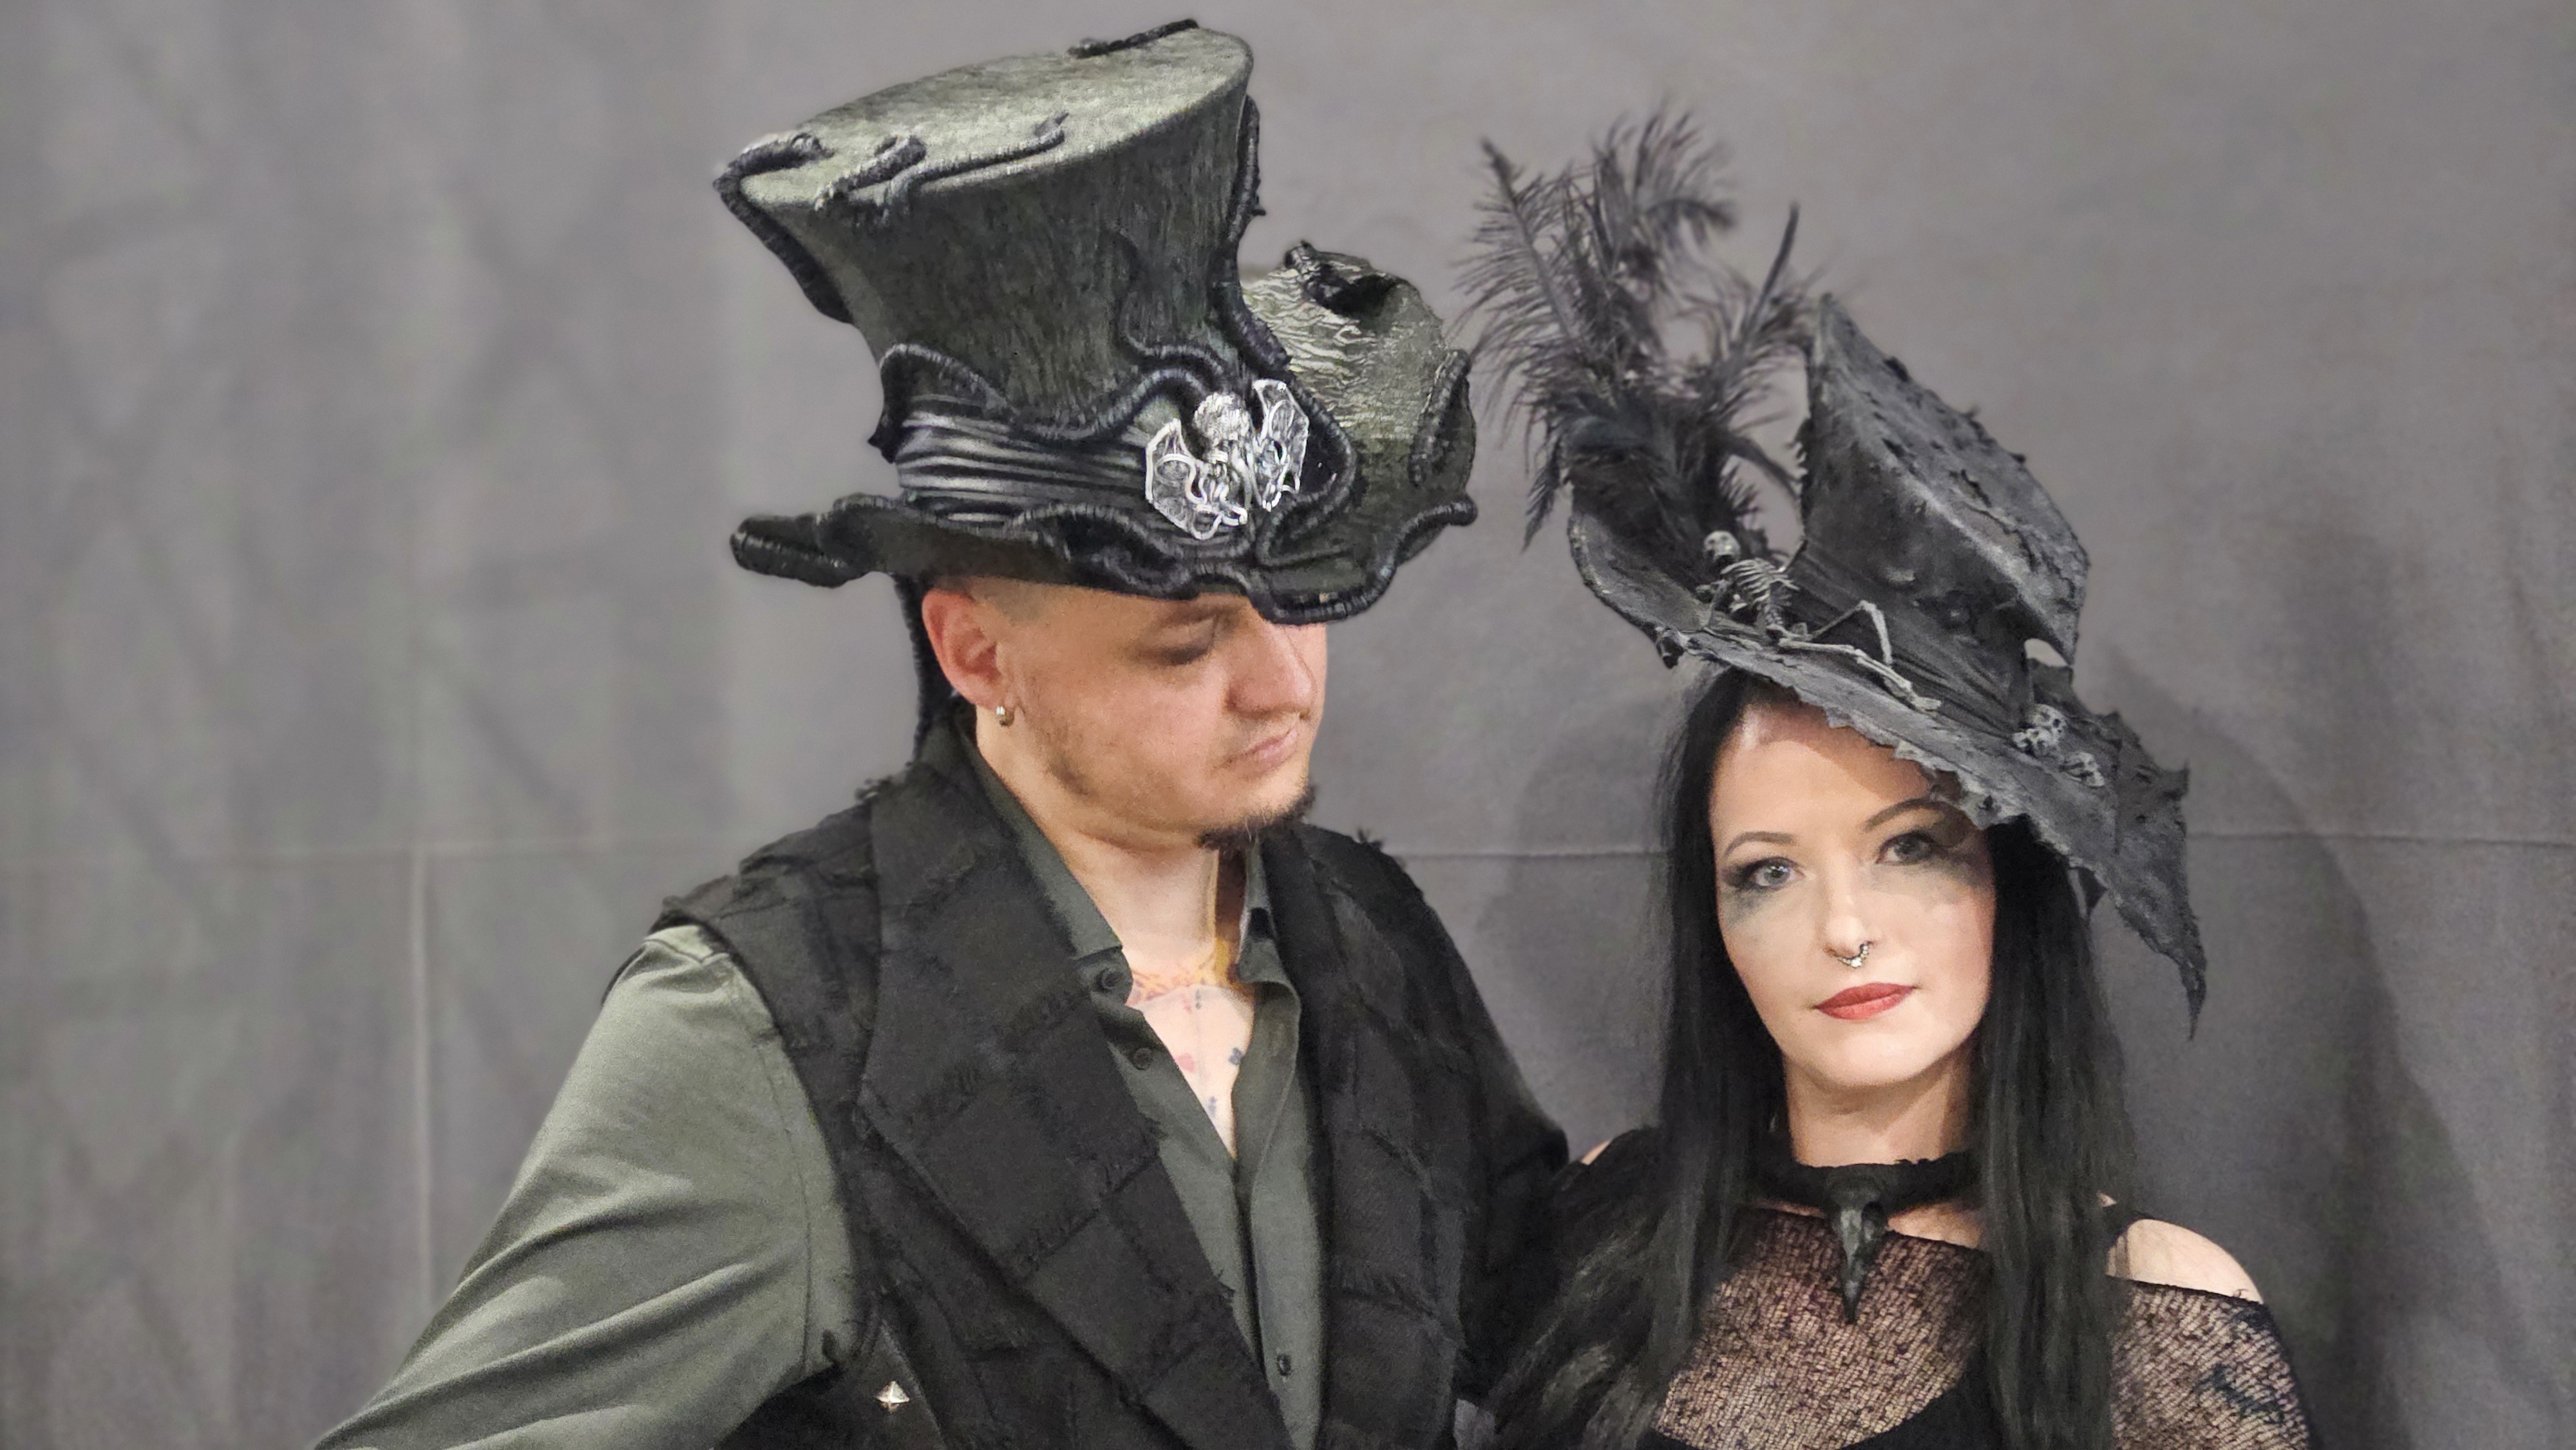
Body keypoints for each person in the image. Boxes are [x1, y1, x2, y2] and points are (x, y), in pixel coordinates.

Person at [317, 22, 1562, 1450]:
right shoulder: (776, 1029)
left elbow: (1554, 1308)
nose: (1282, 687)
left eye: (1306, 605)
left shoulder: (1373, 939)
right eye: (1187, 642)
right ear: (977, 652)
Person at [1462, 120, 2314, 1449]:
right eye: (1765, 873)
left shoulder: (2153, 1322)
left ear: (2006, 878)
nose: (1843, 928)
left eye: (1910, 846)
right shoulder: (1605, 1231)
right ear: (1712, 923)